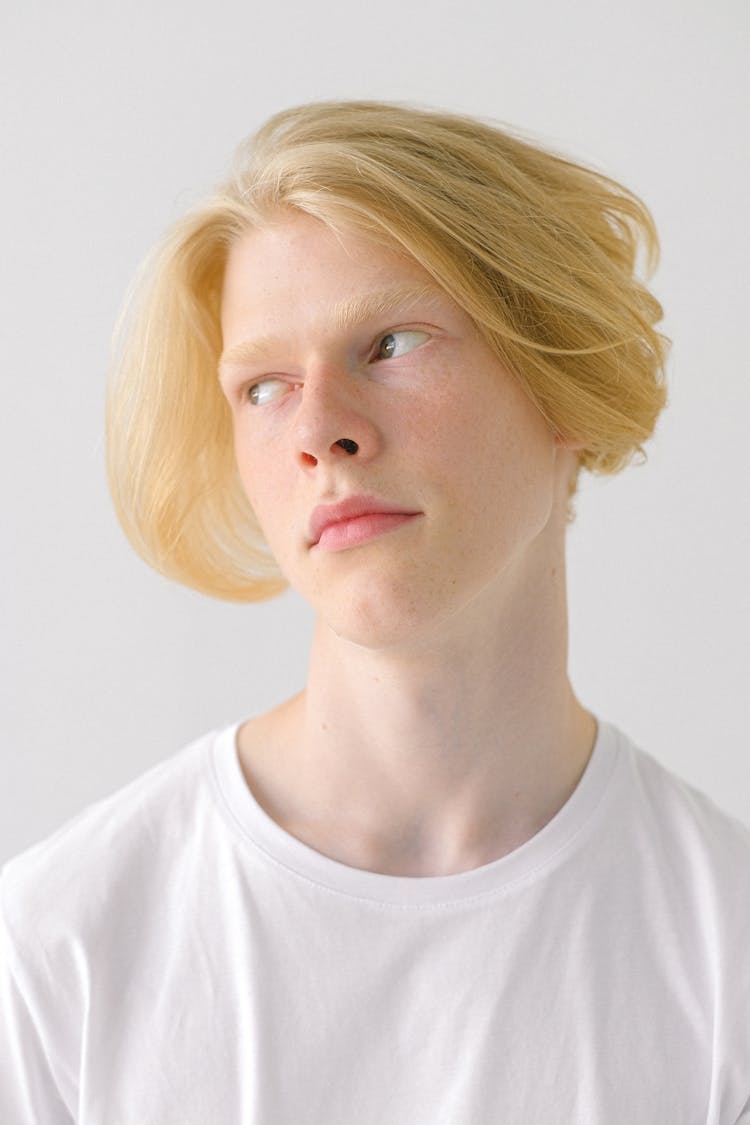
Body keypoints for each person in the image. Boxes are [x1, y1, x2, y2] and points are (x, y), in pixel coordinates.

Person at [1, 100, 748, 1123]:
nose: (320, 432)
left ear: (564, 373)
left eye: (391, 343)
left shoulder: (726, 953)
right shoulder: (56, 952)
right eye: (263, 387)